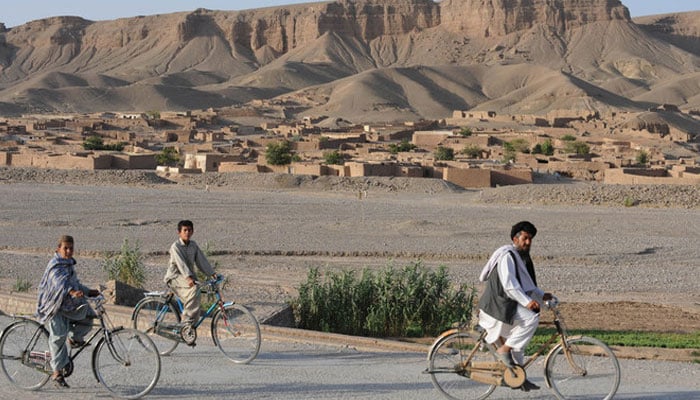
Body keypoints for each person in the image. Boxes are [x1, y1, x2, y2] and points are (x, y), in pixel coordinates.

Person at [477, 221, 553, 392]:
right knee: (531, 319)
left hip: (507, 305)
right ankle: (504, 350)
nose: (528, 242)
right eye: (525, 238)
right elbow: (510, 285)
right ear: (515, 239)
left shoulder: (519, 257)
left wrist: (541, 295)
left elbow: (527, 285)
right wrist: (527, 302)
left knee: (519, 342)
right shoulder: (507, 256)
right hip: (498, 306)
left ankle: (518, 377)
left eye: (530, 239)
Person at [36, 235, 99, 388]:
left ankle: (74, 338)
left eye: (71, 248)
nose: (69, 251)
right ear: (58, 249)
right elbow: (59, 283)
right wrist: (71, 292)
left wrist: (89, 292)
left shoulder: (69, 264)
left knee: (88, 316)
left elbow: (75, 284)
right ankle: (56, 372)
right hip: (54, 306)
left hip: (68, 305)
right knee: (58, 337)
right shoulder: (55, 265)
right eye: (66, 248)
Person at [164, 220, 218, 341]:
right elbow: (180, 264)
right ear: (179, 232)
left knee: (197, 294)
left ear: (193, 231)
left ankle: (191, 327)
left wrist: (212, 273)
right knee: (194, 289)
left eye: (189, 230)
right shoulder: (175, 247)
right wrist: (188, 277)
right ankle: (186, 323)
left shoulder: (193, 245)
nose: (187, 233)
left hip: (188, 277)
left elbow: (201, 261)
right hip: (175, 277)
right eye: (185, 230)